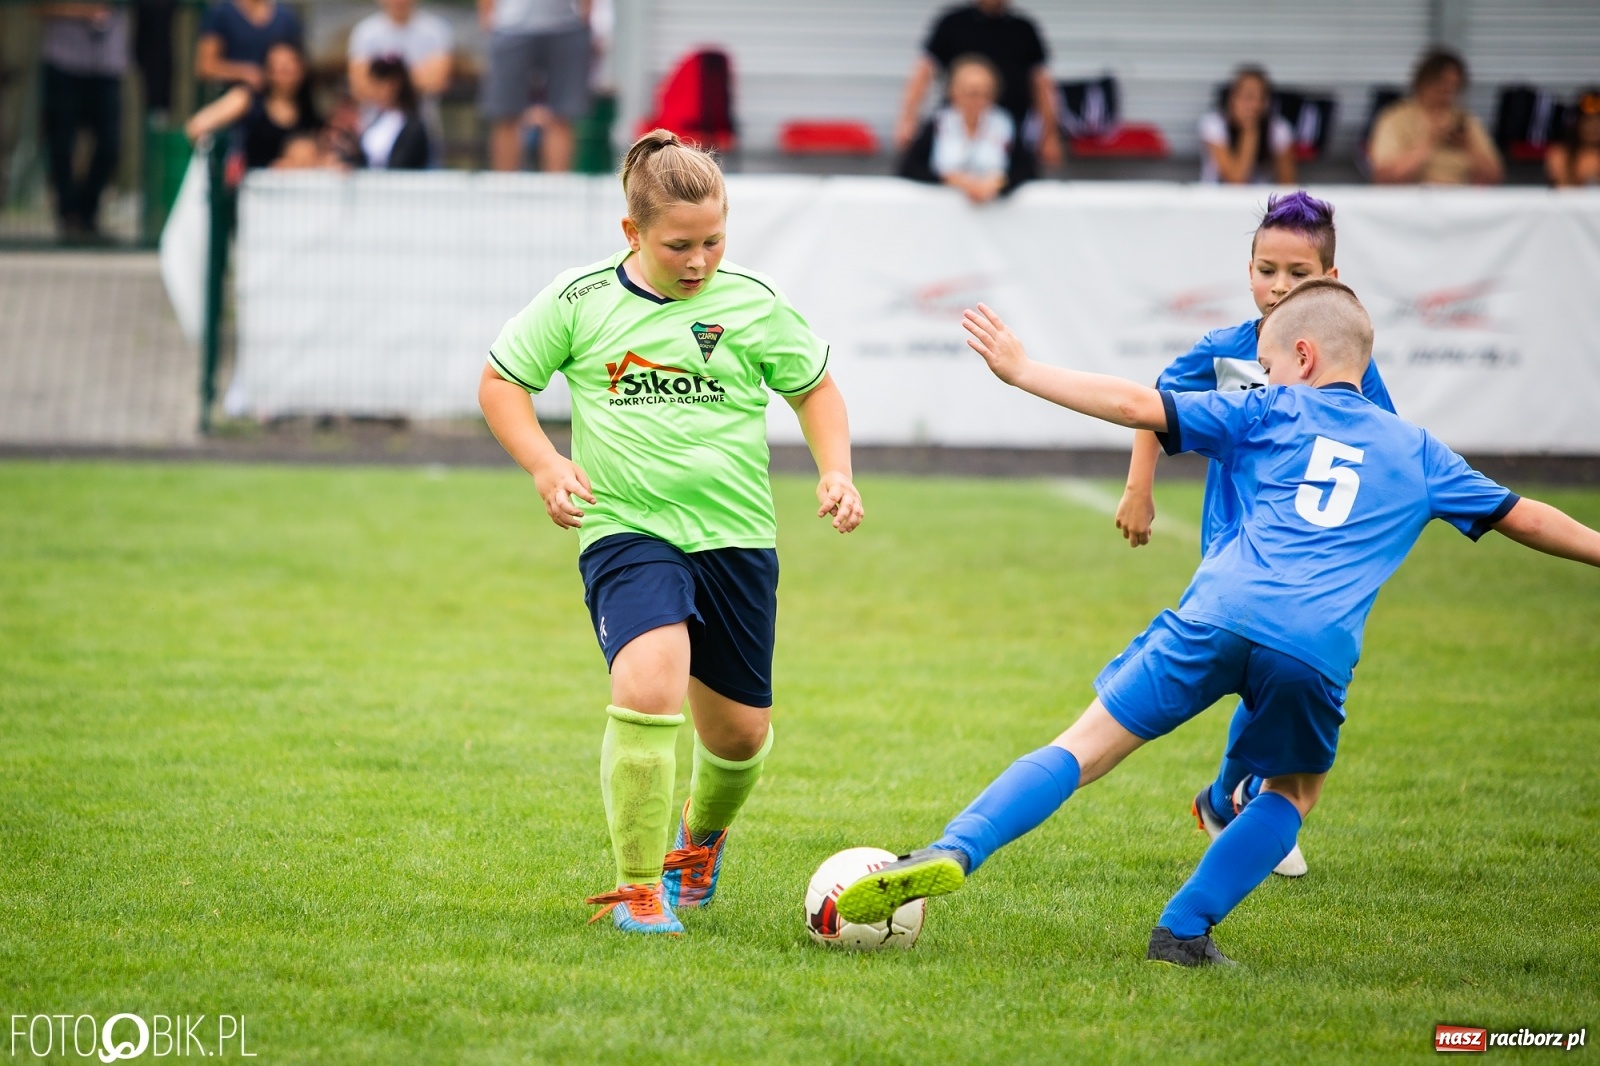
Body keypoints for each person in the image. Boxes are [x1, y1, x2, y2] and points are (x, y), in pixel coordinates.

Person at [835, 280, 1600, 966]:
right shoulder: (1421, 451)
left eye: (1269, 361)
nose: (1263, 373)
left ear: (1302, 354)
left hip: (1216, 613)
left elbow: (1141, 406)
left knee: (1082, 747)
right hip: (1314, 647)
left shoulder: (1271, 405)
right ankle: (1183, 931)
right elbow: (1523, 516)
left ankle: (952, 849)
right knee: (1294, 794)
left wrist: (1023, 370)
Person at [478, 130, 864, 935]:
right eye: (678, 245)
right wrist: (548, 466)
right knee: (648, 686)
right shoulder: (580, 300)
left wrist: (836, 470)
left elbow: (816, 388)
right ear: (632, 234)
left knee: (740, 735)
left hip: (736, 538)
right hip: (626, 528)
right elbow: (501, 383)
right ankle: (638, 891)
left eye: (714, 241)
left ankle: (700, 841)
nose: (699, 261)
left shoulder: (751, 301)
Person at [1116, 192, 1393, 879]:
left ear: (1330, 280)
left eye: (1297, 273)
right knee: (1258, 672)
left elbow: (1380, 446)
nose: (1278, 286)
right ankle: (1240, 798)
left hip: (1310, 560)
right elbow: (1156, 405)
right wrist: (1138, 489)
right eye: (1266, 269)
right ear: (1247, 272)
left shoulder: (1349, 369)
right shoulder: (1227, 353)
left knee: (1272, 677)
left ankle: (1228, 798)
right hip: (1235, 549)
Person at [895, 0, 1061, 174]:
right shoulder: (953, 23)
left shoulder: (1024, 29)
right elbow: (924, 72)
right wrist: (907, 118)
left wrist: (1049, 134)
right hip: (958, 125)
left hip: (1010, 126)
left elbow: (1041, 84)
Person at [37, 2, 129, 240]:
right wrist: (83, 11)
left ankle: (88, 213)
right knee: (61, 143)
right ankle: (68, 215)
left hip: (108, 65)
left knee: (110, 144)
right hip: (64, 62)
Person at [898, 54, 1027, 203]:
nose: (978, 101)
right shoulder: (939, 123)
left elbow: (1025, 170)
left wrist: (998, 183)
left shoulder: (1004, 124)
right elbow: (909, 168)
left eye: (986, 94)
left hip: (993, 210)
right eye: (972, 93)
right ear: (954, 92)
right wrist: (950, 179)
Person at [478, 0, 590, 171]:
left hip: (566, 25)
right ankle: (502, 190)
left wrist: (585, 14)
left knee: (562, 116)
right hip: (510, 26)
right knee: (506, 115)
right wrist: (488, 17)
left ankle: (558, 191)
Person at [1369, 48, 1502, 185]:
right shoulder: (1395, 119)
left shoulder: (1465, 120)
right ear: (1422, 84)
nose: (1446, 94)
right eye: (1440, 87)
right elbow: (1385, 177)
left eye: (1453, 88)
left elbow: (1495, 175)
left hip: (1459, 195)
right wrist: (1430, 141)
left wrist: (1468, 145)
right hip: (1411, 196)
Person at [185, 40, 325, 170]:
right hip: (250, 189)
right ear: (267, 71)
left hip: (295, 190)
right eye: (279, 68)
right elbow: (197, 125)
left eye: (290, 66)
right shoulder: (246, 99)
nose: (285, 73)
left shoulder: (309, 110)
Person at [347, 0, 452, 166]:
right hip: (372, 135)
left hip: (424, 134)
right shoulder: (365, 32)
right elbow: (359, 87)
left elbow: (437, 81)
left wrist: (384, 78)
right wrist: (415, 75)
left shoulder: (435, 30)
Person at [1199, 66, 1295, 185]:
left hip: (1261, 200)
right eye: (1245, 97)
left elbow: (1288, 183)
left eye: (1257, 97)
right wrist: (1249, 132)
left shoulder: (1278, 129)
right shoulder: (1213, 124)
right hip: (1217, 199)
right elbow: (1236, 180)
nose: (1250, 105)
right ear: (1232, 98)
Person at [194, 0, 302, 92]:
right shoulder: (220, 14)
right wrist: (244, 73)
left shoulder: (286, 18)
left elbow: (298, 63)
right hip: (234, 97)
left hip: (276, 101)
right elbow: (206, 67)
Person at [354, 56, 430, 169]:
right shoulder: (373, 121)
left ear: (395, 85)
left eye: (380, 84)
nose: (375, 91)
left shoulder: (413, 126)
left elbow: (402, 164)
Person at [1546, 88, 1600, 188]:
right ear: (1576, 123)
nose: (1594, 127)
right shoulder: (1560, 155)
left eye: (1598, 121)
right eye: (1588, 121)